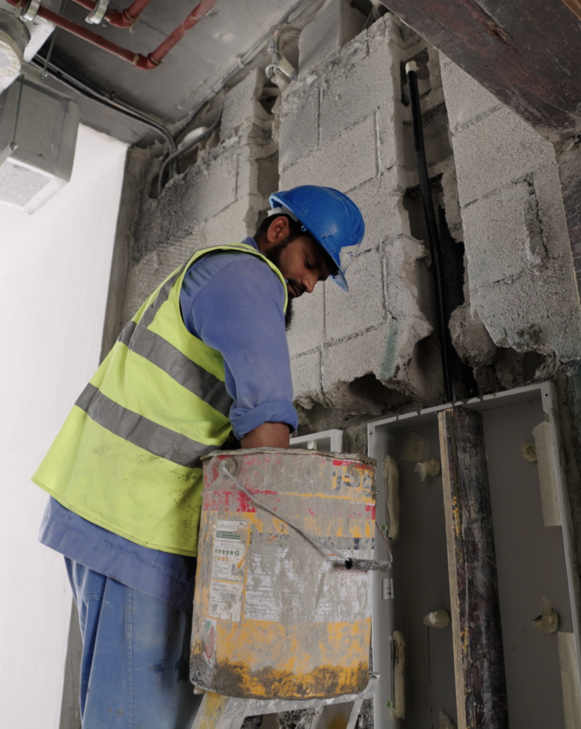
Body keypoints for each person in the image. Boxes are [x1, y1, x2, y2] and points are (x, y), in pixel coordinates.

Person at [33, 185, 367, 728]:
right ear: (279, 231)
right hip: (132, 520)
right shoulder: (247, 278)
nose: (309, 283)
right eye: (311, 263)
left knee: (148, 710)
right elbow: (267, 429)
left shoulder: (221, 275)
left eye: (321, 277)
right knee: (137, 716)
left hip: (128, 513)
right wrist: (280, 576)